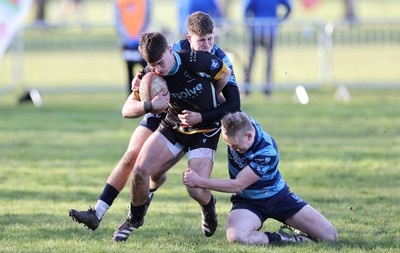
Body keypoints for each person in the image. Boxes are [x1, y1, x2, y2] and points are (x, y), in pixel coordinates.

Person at [69, 12, 240, 237]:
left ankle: (174, 199)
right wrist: (144, 91)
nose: (207, 44)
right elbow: (128, 107)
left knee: (170, 177)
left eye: (210, 39)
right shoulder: (167, 55)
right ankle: (105, 213)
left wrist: (204, 111)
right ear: (188, 39)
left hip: (199, 121)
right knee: (135, 159)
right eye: (201, 40)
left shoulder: (217, 61)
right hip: (167, 111)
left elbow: (231, 101)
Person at [112, 31, 240, 242]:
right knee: (140, 171)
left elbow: (234, 104)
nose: (159, 69)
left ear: (170, 50)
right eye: (153, 65)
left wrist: (203, 115)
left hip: (204, 131)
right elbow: (126, 110)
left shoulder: (202, 60)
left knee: (195, 187)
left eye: (162, 62)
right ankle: (134, 218)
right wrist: (149, 104)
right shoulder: (152, 74)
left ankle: (208, 206)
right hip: (173, 126)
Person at [183, 111, 338, 245]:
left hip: (278, 198)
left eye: (236, 147)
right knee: (237, 237)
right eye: (229, 145)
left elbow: (237, 185)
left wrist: (199, 181)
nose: (233, 150)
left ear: (249, 136)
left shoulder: (266, 151)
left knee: (329, 236)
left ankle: (297, 228)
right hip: (248, 202)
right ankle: (285, 238)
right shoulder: (238, 122)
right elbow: (226, 101)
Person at [243, 0, 291, 96]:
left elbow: (246, 10)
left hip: (256, 30)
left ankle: (247, 88)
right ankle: (267, 89)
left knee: (251, 60)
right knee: (269, 61)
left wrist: (248, 25)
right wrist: (279, 21)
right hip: (270, 30)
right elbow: (289, 8)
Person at [114, 0, 151, 96]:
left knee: (148, 71)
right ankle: (132, 99)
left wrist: (140, 35)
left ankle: (149, 98)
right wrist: (126, 37)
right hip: (127, 42)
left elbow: (147, 15)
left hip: (141, 41)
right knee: (130, 73)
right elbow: (118, 19)